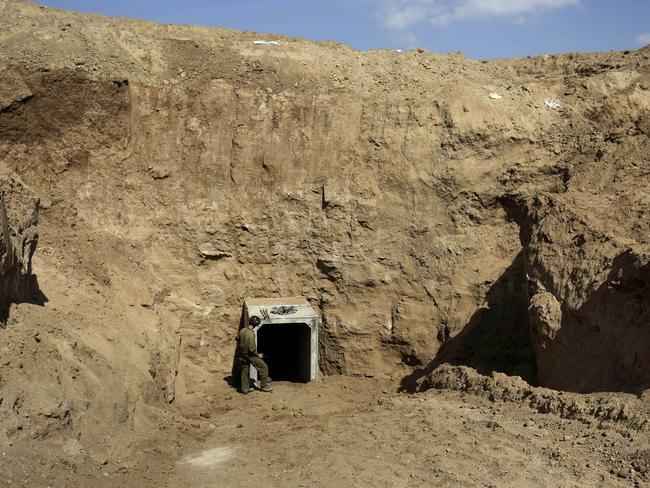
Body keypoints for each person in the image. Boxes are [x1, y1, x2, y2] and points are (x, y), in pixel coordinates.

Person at [236, 315, 272, 394]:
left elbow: (237, 338)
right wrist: (258, 355)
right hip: (251, 355)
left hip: (243, 354)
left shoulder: (242, 330)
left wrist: (242, 346)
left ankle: (245, 389)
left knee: (245, 370)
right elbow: (252, 349)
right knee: (264, 367)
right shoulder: (251, 334)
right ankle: (263, 386)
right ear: (255, 325)